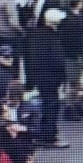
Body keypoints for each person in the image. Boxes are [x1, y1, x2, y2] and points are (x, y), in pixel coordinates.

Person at [25, 8, 69, 148]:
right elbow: (58, 60)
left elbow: (28, 58)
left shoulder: (34, 36)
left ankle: (40, 133)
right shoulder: (53, 38)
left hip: (39, 76)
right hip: (51, 77)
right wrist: (62, 76)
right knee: (52, 106)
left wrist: (30, 79)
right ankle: (49, 137)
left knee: (45, 105)